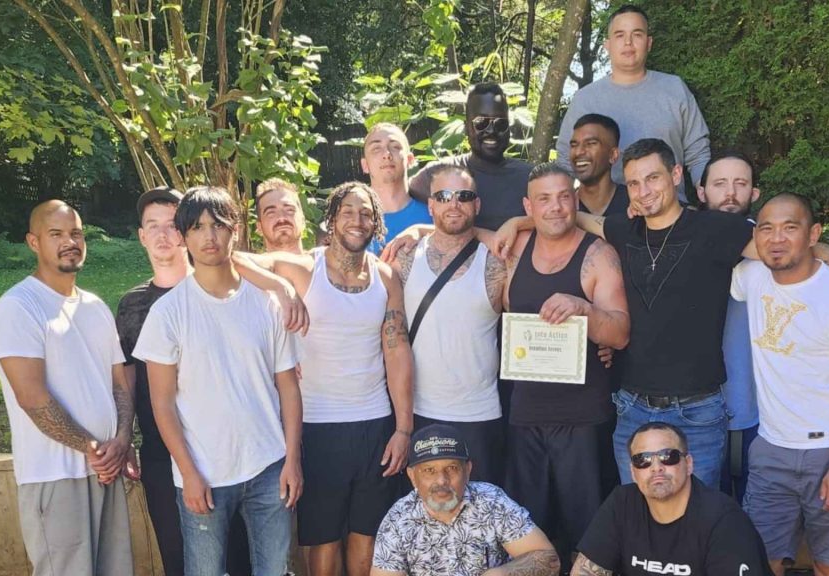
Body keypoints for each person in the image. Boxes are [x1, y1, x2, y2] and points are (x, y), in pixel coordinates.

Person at [494, 138, 829, 490]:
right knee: (638, 516)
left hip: (699, 409)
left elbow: (792, 246)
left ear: (675, 174)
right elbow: (568, 216)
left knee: (700, 517)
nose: (644, 191)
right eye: (635, 184)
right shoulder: (623, 231)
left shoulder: (717, 229)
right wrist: (517, 222)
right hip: (632, 406)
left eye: (653, 178)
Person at [244, 181, 414, 576]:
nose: (357, 221)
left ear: (376, 224)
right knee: (321, 542)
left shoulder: (386, 277)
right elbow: (234, 258)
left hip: (375, 425)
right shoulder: (305, 267)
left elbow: (397, 351)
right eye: (348, 212)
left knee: (367, 537)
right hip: (318, 427)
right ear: (332, 219)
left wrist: (403, 428)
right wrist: (281, 286)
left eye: (366, 213)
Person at [133, 186, 303, 576]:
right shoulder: (168, 312)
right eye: (197, 227)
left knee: (274, 569)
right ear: (183, 236)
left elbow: (288, 387)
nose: (209, 237)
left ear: (236, 231)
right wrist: (188, 474)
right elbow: (162, 403)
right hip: (203, 472)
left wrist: (292, 460)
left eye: (218, 225)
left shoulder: (266, 303)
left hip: (268, 467)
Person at [0, 200, 134, 575]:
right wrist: (92, 447)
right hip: (54, 475)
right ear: (33, 242)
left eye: (76, 233)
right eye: (56, 234)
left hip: (105, 469)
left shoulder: (95, 307)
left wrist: (123, 439)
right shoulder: (18, 308)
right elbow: (33, 399)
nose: (70, 241)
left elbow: (120, 382)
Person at [732, 194, 829, 576]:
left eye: (789, 227)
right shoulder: (750, 277)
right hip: (771, 449)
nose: (776, 238)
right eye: (766, 228)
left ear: (813, 234)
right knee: (760, 560)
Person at [116, 187, 259, 576]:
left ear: (185, 231)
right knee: (179, 559)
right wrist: (124, 435)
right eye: (152, 226)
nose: (163, 235)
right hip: (163, 455)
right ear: (141, 235)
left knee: (240, 558)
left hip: (229, 451)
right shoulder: (132, 305)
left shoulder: (225, 291)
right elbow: (128, 376)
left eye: (171, 225)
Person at [503, 163, 630, 569]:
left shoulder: (598, 256)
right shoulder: (517, 247)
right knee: (528, 535)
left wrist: (583, 309)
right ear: (528, 206)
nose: (556, 207)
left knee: (588, 535)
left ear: (576, 199)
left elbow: (621, 333)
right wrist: (414, 233)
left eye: (564, 196)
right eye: (544, 198)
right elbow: (463, 234)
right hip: (524, 418)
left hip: (583, 419)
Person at [391, 164, 508, 484]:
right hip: (418, 412)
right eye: (443, 196)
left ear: (477, 205)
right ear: (430, 205)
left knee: (482, 517)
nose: (453, 204)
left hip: (480, 414)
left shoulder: (498, 260)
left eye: (464, 196)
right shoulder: (404, 256)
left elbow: (530, 312)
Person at [571, 422, 771, 576]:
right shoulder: (621, 503)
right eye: (643, 460)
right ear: (633, 472)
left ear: (689, 464)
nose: (656, 467)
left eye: (668, 456)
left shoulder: (725, 520)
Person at [555, 4, 710, 199]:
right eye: (620, 35)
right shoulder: (586, 99)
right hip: (604, 215)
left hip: (669, 213)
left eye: (637, 34)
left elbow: (698, 152)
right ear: (607, 45)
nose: (628, 42)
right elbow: (565, 160)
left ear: (649, 43)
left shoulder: (675, 89)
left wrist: (707, 191)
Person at [372, 424, 560, 576]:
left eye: (452, 468)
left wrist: (500, 574)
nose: (442, 481)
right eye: (429, 470)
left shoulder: (491, 501)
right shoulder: (398, 519)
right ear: (412, 476)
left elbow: (548, 559)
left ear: (468, 470)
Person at [694, 152, 761, 503]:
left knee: (760, 524)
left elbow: (813, 255)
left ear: (755, 193)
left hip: (761, 415)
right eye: (720, 184)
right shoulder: (678, 244)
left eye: (741, 184)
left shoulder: (772, 252)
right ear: (701, 191)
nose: (730, 193)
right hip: (691, 413)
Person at [409, 83, 533, 231]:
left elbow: (559, 218)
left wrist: (519, 224)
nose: (491, 130)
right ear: (467, 127)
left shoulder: (529, 178)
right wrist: (417, 230)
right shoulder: (438, 173)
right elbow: (393, 196)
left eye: (500, 123)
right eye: (481, 123)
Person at [363, 123, 432, 254]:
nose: (387, 154)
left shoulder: (434, 215)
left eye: (395, 147)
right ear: (365, 165)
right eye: (376, 149)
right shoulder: (353, 222)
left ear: (410, 160)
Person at [570, 114, 630, 217]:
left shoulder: (636, 203)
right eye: (574, 145)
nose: (579, 152)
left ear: (613, 155)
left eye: (591, 143)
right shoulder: (562, 207)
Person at [255, 177, 307, 254]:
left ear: (303, 220)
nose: (281, 217)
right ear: (259, 227)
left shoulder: (326, 263)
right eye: (271, 213)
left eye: (289, 210)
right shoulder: (245, 265)